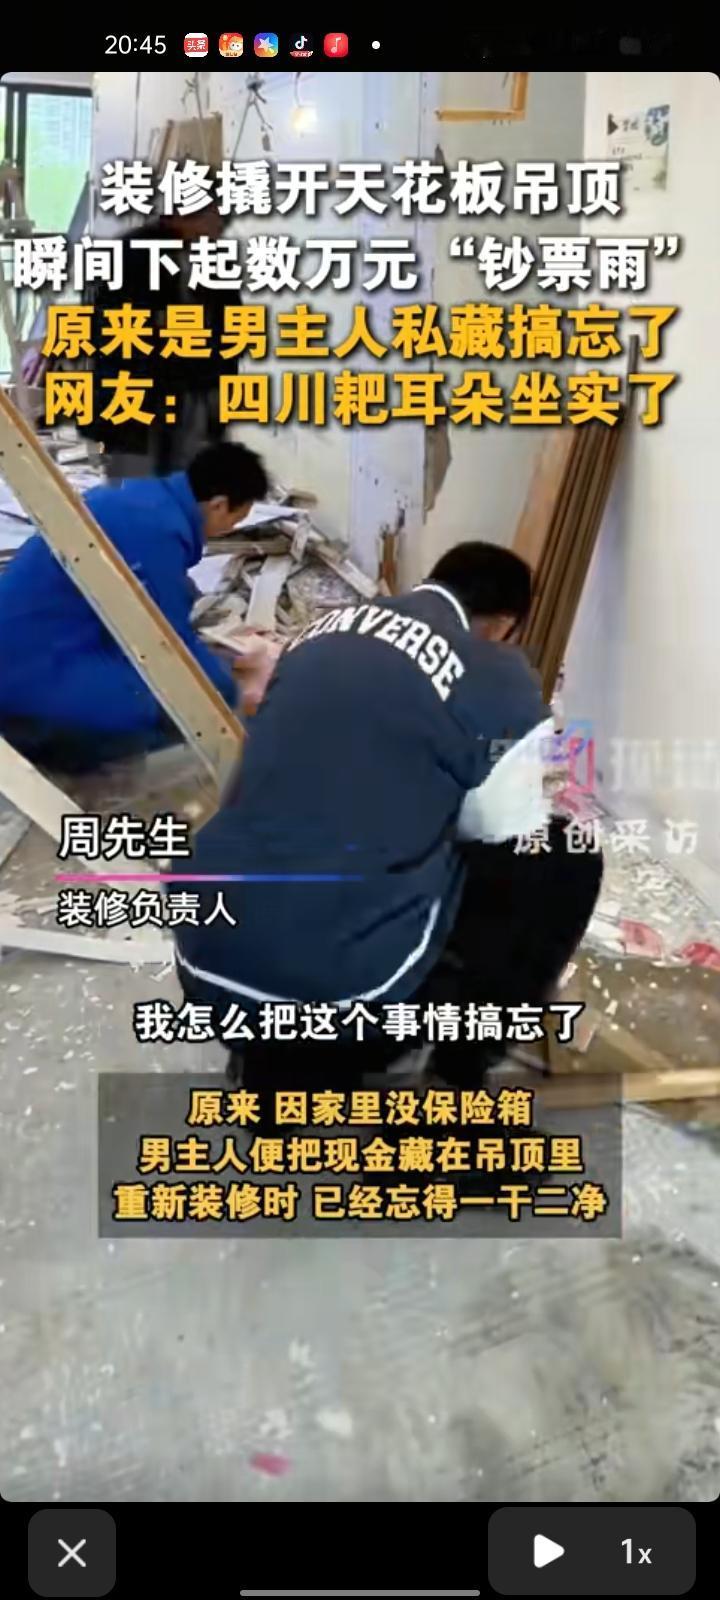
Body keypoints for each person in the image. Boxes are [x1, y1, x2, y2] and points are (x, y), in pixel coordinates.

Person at [174, 542, 603, 1097]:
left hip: (206, 965)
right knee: (562, 856)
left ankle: (269, 1055)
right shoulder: (497, 676)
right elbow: (502, 833)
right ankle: (456, 1074)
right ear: (503, 625)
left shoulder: (318, 634)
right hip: (345, 1011)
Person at [0, 442, 268, 772]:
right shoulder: (156, 533)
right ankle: (67, 760)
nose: (229, 530)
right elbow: (168, 649)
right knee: (181, 706)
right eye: (234, 520)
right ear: (218, 505)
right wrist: (230, 689)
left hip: (29, 639)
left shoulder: (142, 494)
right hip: (27, 678)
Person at [81, 206, 237, 482]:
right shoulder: (131, 252)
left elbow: (231, 321)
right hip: (140, 385)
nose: (219, 226)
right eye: (211, 217)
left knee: (189, 473)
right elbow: (109, 324)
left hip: (195, 387)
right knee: (134, 474)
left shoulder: (213, 258)